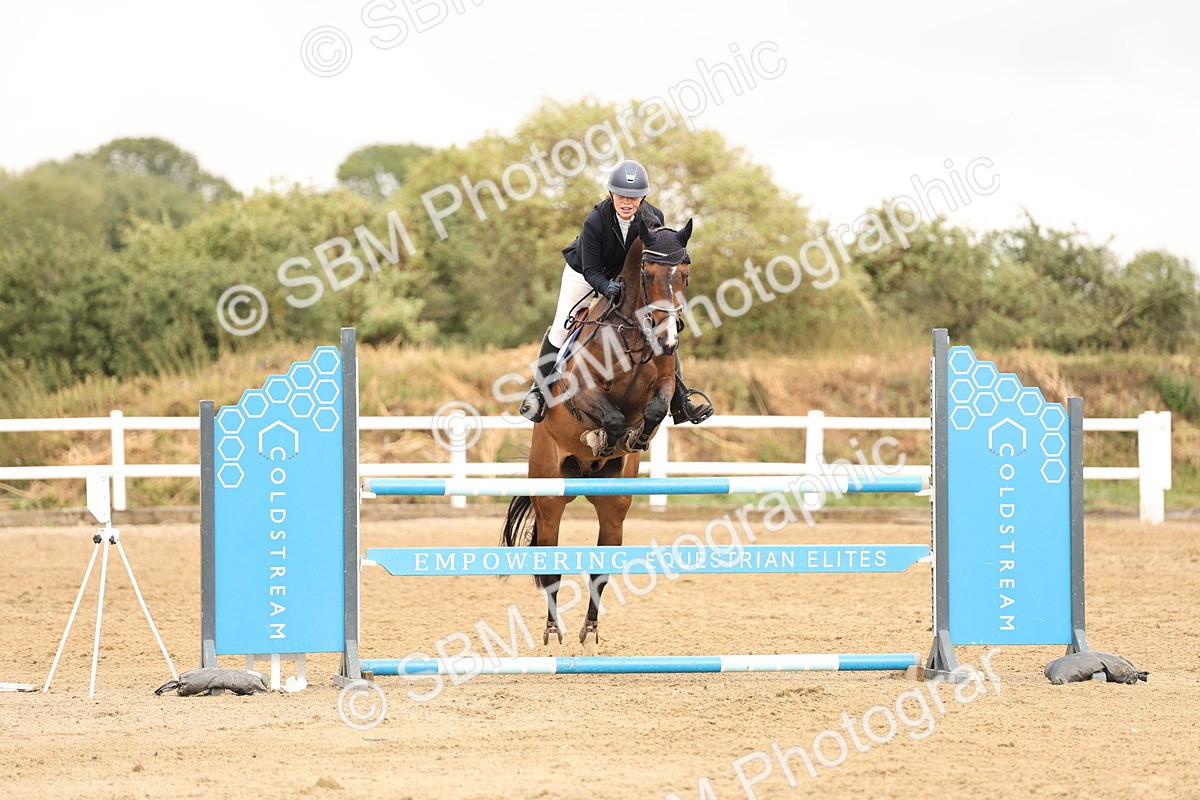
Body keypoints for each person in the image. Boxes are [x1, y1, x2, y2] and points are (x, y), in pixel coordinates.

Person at [518, 159, 715, 426]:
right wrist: (605, 287)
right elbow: (591, 270)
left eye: (633, 197)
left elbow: (656, 259)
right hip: (585, 273)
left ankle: (680, 397)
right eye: (621, 195)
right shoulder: (596, 220)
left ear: (643, 197)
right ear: (611, 194)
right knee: (562, 326)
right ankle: (538, 393)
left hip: (627, 276)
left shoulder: (653, 218)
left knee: (663, 325)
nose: (627, 202)